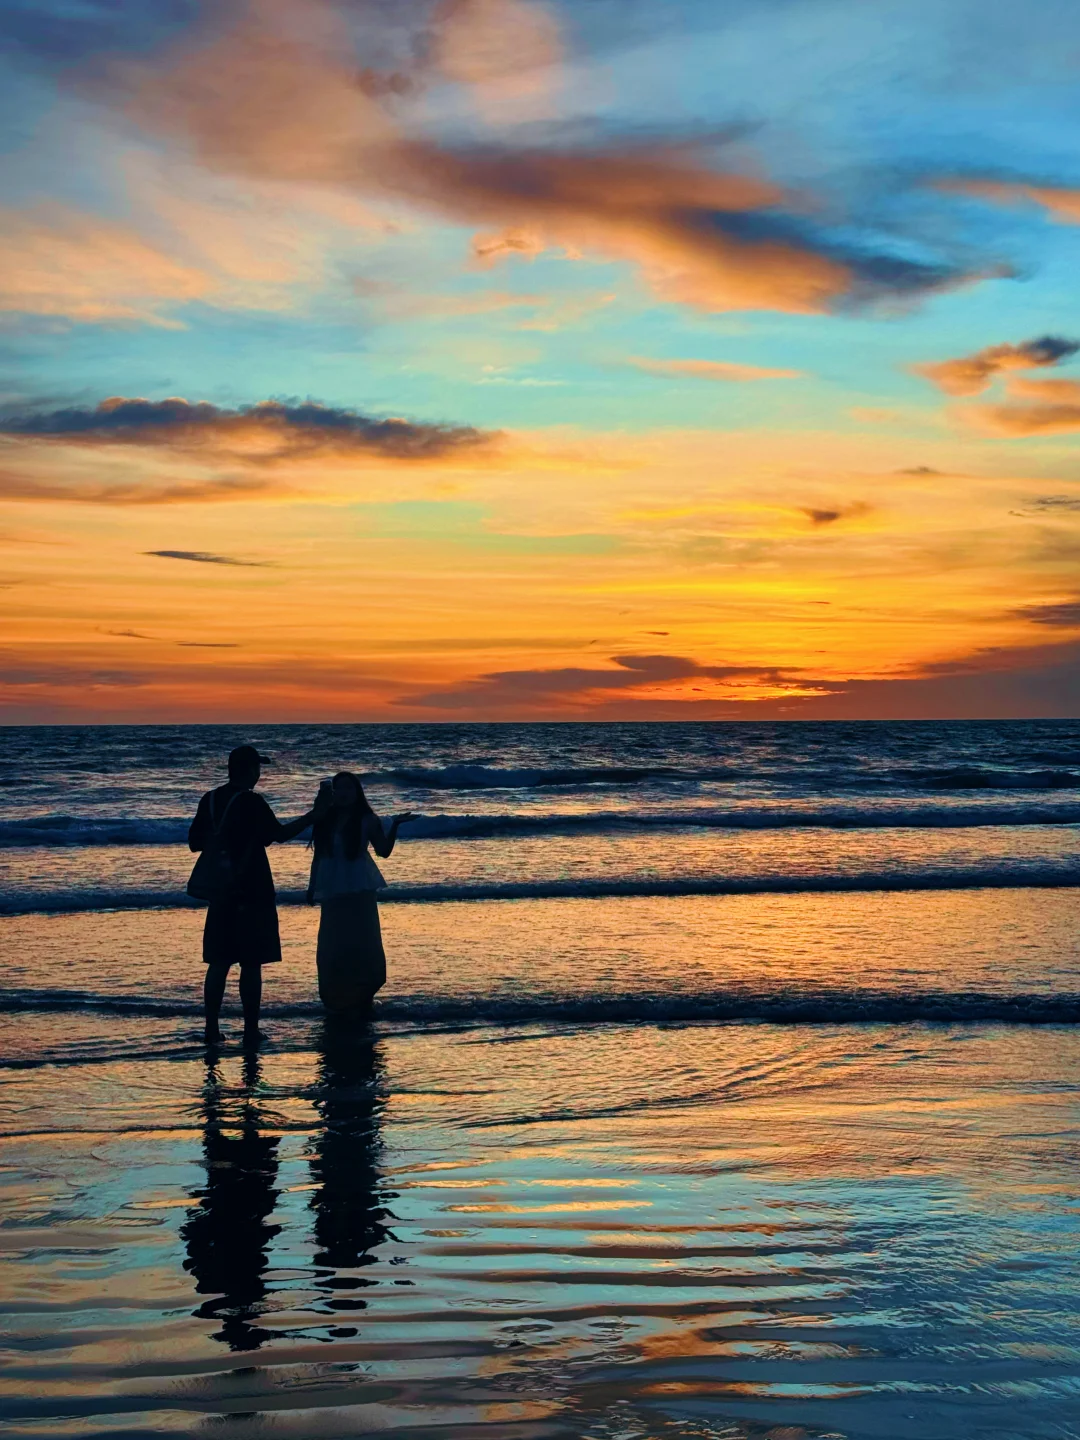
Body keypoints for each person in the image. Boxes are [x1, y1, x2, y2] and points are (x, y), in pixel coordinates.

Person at [189, 744, 327, 1045]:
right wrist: (313, 817)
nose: (260, 774)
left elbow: (194, 842)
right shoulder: (251, 801)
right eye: (258, 768)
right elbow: (275, 835)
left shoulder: (210, 800)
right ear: (251, 770)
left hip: (220, 892)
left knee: (219, 962)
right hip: (252, 890)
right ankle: (250, 1031)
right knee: (250, 963)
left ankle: (211, 1030)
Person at [306, 771, 415, 1015]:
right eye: (339, 789)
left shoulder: (367, 819)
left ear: (357, 793)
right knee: (332, 943)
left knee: (363, 942)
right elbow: (319, 854)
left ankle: (362, 994)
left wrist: (395, 825)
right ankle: (336, 996)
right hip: (333, 887)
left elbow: (383, 851)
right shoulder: (325, 818)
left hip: (360, 887)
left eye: (349, 789)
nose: (344, 793)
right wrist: (312, 886)